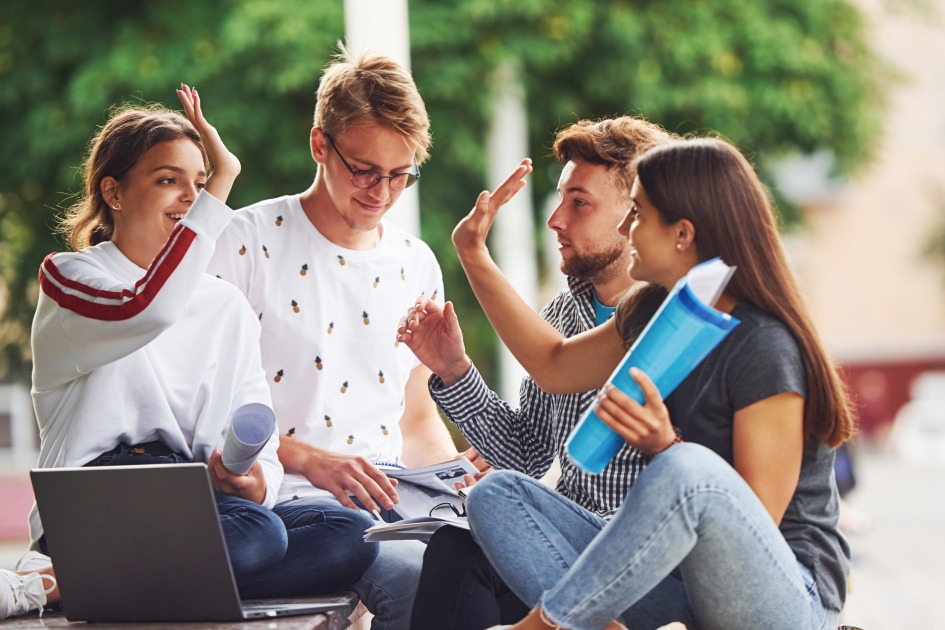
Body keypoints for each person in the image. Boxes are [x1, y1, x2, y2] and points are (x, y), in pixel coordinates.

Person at [401, 137, 854, 629]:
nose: (624, 228)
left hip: (781, 595)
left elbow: (750, 522)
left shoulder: (766, 345)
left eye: (636, 213)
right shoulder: (653, 311)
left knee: (685, 468)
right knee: (496, 496)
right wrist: (472, 253)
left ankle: (546, 625)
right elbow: (553, 364)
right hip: (679, 584)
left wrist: (665, 449)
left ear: (682, 233)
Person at [1, 87, 377, 620]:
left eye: (198, 184)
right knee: (258, 537)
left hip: (196, 499)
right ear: (114, 192)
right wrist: (222, 185)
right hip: (91, 502)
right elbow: (146, 309)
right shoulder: (72, 277)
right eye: (167, 181)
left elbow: (259, 433)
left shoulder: (225, 306)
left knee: (353, 534)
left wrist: (251, 480)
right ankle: (104, 571)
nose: (190, 199)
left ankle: (82, 583)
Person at [207, 45, 458, 629]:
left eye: (400, 175)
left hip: (399, 504)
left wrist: (454, 483)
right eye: (364, 169)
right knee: (425, 590)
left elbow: (415, 419)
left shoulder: (415, 263)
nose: (381, 191)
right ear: (320, 144)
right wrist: (313, 460)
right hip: (288, 506)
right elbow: (205, 412)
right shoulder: (246, 241)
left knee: (494, 574)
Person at [405, 116, 672, 629]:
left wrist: (473, 254)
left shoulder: (676, 321)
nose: (555, 220)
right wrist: (455, 370)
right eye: (560, 200)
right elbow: (529, 453)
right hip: (563, 545)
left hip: (646, 563)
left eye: (579, 203)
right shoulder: (561, 317)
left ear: (636, 212)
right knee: (455, 553)